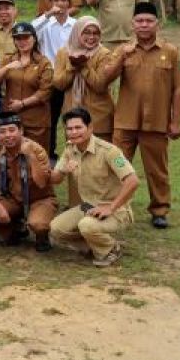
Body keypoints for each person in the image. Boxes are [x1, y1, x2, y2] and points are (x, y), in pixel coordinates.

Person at [100, 1, 180, 229]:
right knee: (117, 165)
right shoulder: (123, 49)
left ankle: (159, 209)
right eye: (139, 21)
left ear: (157, 24)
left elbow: (179, 89)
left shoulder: (171, 52)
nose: (144, 25)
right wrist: (121, 57)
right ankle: (113, 206)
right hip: (125, 122)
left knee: (156, 169)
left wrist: (175, 122)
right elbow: (105, 79)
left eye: (149, 21)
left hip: (156, 123)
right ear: (132, 24)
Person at [49, 108, 139, 267]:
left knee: (86, 225)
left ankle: (111, 248)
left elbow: (132, 180)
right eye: (69, 129)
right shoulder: (70, 149)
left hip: (117, 210)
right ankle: (93, 245)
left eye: (78, 128)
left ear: (90, 128)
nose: (74, 132)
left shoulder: (109, 151)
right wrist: (63, 170)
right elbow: (54, 179)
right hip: (87, 207)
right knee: (56, 228)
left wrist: (111, 207)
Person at [0, 115, 56, 252]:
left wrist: (31, 157)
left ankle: (42, 236)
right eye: (2, 132)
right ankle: (13, 231)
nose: (7, 135)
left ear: (21, 131)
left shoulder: (36, 149)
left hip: (39, 198)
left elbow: (42, 183)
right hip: (13, 198)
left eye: (11, 130)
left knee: (38, 223)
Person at [0, 21, 53, 152]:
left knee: (36, 156)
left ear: (34, 39)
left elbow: (45, 91)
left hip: (36, 121)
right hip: (11, 120)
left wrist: (23, 103)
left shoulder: (43, 62)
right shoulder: (8, 59)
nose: (22, 41)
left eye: (26, 37)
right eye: (18, 38)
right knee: (11, 157)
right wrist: (7, 67)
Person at [52, 16, 115, 141]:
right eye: (86, 32)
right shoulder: (64, 53)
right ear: (77, 32)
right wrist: (72, 67)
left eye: (96, 33)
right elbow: (58, 84)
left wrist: (84, 66)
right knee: (75, 155)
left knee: (100, 156)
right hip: (72, 115)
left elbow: (100, 85)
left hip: (98, 117)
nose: (91, 37)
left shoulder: (104, 54)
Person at [33, 0, 76, 159]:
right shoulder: (44, 24)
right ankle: (49, 153)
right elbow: (29, 30)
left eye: (63, 0)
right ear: (51, 3)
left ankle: (74, 151)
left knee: (72, 116)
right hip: (50, 77)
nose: (60, 4)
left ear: (69, 2)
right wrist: (48, 14)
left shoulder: (75, 25)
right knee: (50, 118)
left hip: (71, 77)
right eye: (56, 0)